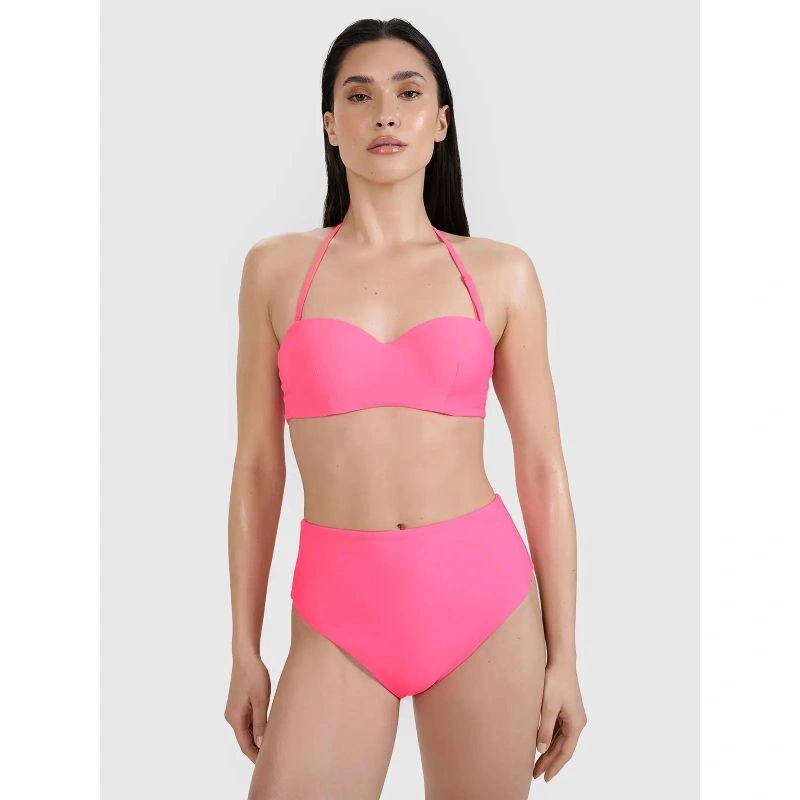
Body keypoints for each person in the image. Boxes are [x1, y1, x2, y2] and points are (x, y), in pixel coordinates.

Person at [225, 17, 587, 799]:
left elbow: (542, 468)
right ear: (330, 125)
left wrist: (566, 656)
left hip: (484, 604)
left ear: (440, 122)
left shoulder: (501, 274)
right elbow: (257, 468)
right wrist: (244, 648)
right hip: (337, 611)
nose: (385, 114)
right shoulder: (275, 271)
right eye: (359, 96)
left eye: (408, 93)